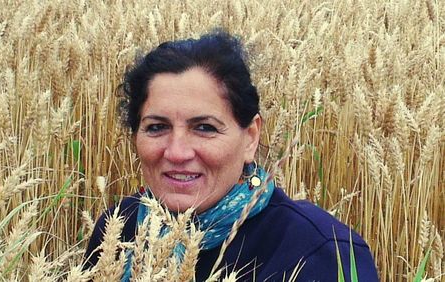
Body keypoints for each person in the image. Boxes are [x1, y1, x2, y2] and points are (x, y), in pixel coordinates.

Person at [84, 31, 379, 281]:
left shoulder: (321, 252)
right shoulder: (120, 228)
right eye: (157, 127)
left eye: (204, 127)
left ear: (250, 137)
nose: (176, 152)